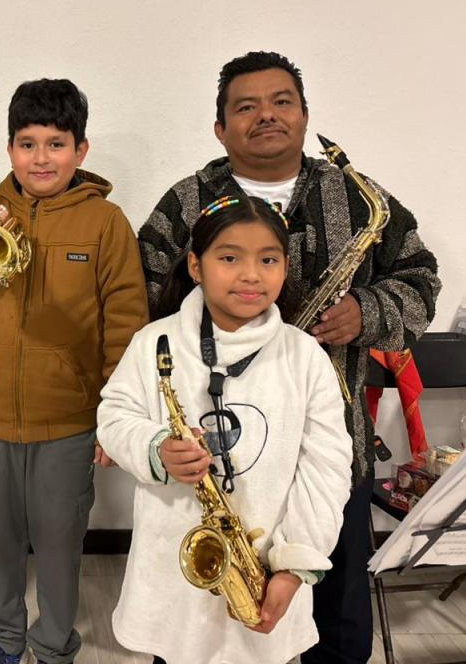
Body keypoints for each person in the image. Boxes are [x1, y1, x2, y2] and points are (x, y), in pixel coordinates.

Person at [138, 51, 441, 664]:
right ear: (220, 128)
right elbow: (140, 302)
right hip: (216, 451)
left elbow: (422, 280)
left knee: (339, 622)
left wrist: (367, 311)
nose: (266, 116)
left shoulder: (359, 199)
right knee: (204, 623)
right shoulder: (185, 201)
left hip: (331, 448)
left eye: (282, 102)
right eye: (245, 107)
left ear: (304, 114)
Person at [0, 78, 149, 664]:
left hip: (70, 420)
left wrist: (115, 419)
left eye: (56, 144)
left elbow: (126, 326)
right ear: (9, 149)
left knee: (59, 540)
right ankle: (5, 639)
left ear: (81, 150)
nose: (41, 158)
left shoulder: (105, 223)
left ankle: (53, 645)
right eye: (27, 144)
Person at [98, 195, 353, 664]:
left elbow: (327, 471)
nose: (251, 275)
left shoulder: (306, 357)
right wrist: (156, 450)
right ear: (195, 266)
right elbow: (114, 416)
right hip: (174, 574)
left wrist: (295, 564)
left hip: (266, 573)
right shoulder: (153, 341)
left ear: (285, 267)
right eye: (230, 258)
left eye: (268, 260)